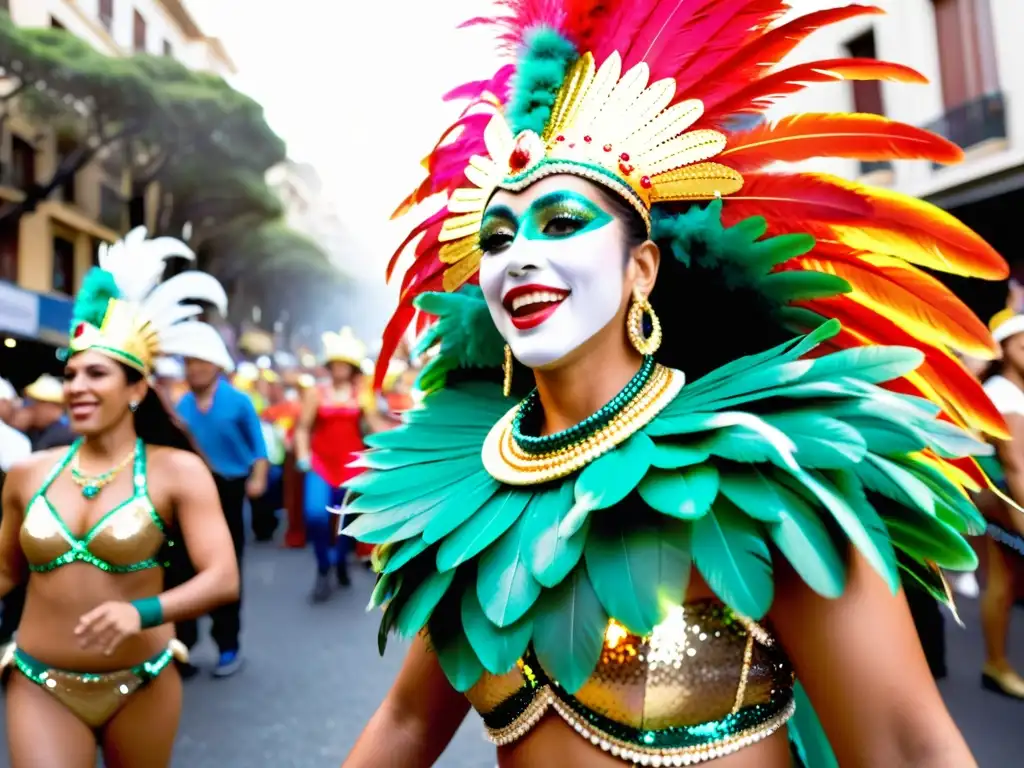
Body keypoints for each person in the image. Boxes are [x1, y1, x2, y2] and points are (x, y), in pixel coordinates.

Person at [341, 4, 1008, 766]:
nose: (519, 255)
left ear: (642, 270)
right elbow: (405, 724)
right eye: (498, 236)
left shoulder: (767, 468)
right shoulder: (466, 495)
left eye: (560, 223)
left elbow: (906, 750)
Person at [0, 227, 239, 766]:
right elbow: (5, 574)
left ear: (136, 389)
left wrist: (145, 612)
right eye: (71, 373)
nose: (77, 385)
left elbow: (223, 577)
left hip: (143, 683)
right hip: (40, 681)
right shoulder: (27, 473)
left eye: (96, 373)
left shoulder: (177, 472)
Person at [174, 344, 267, 679]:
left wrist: (257, 480)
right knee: (183, 567)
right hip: (188, 492)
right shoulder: (181, 405)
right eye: (188, 362)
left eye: (199, 361)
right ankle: (182, 645)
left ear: (216, 365)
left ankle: (228, 644)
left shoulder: (238, 401)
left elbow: (259, 448)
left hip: (229, 489)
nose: (193, 369)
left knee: (225, 566)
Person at [293, 328, 383, 602]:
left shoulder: (362, 394)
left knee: (347, 521)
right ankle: (324, 565)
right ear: (329, 366)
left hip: (352, 467)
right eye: (336, 363)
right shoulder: (315, 393)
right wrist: (302, 454)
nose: (340, 368)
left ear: (352, 367)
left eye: (345, 364)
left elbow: (374, 425)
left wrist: (393, 445)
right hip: (321, 464)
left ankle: (338, 560)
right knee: (316, 516)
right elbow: (302, 428)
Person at [974, 311, 1024, 699]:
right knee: (1002, 584)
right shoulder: (1004, 393)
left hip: (1009, 501)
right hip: (1008, 502)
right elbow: (1017, 465)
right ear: (1003, 349)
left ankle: (997, 664)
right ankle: (996, 664)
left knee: (1004, 585)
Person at [21, 374, 76, 451]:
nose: (29, 408)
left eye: (35, 403)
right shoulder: (36, 431)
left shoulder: (63, 435)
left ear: (52, 406)